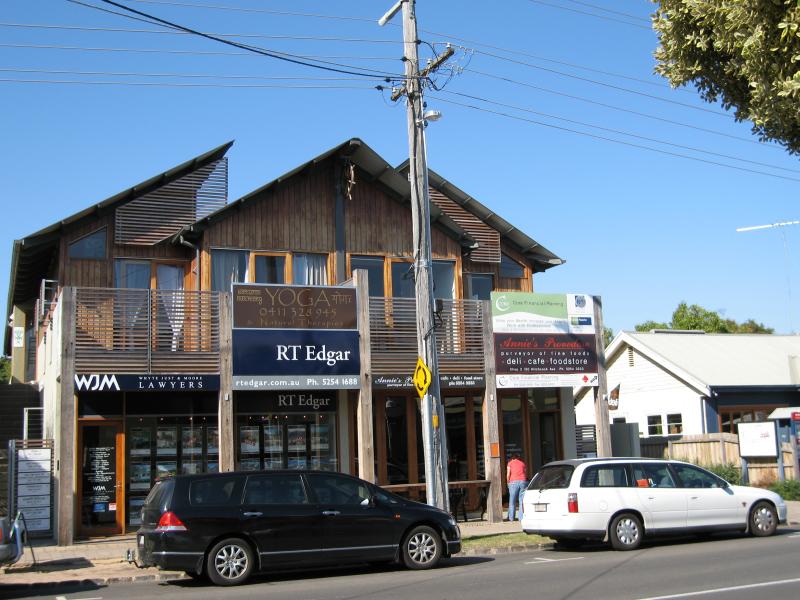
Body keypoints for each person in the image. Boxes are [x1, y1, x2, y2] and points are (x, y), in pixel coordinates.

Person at [506, 452, 527, 522]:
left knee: (512, 501)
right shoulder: (522, 463)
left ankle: (511, 518)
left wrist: (508, 482)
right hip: (523, 481)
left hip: (513, 482)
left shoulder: (510, 463)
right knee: (521, 500)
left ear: (512, 458)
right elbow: (525, 473)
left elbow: (508, 474)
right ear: (518, 458)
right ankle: (521, 518)